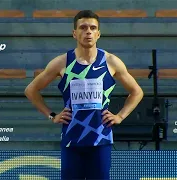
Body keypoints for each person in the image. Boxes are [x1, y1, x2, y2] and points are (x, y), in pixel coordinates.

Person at [25, 10, 144, 180]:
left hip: (100, 139)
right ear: (74, 33)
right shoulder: (62, 62)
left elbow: (137, 92)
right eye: (83, 27)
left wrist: (120, 116)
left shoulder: (110, 61)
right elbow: (31, 90)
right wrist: (52, 116)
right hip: (72, 140)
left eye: (92, 28)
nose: (88, 31)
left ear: (98, 34)